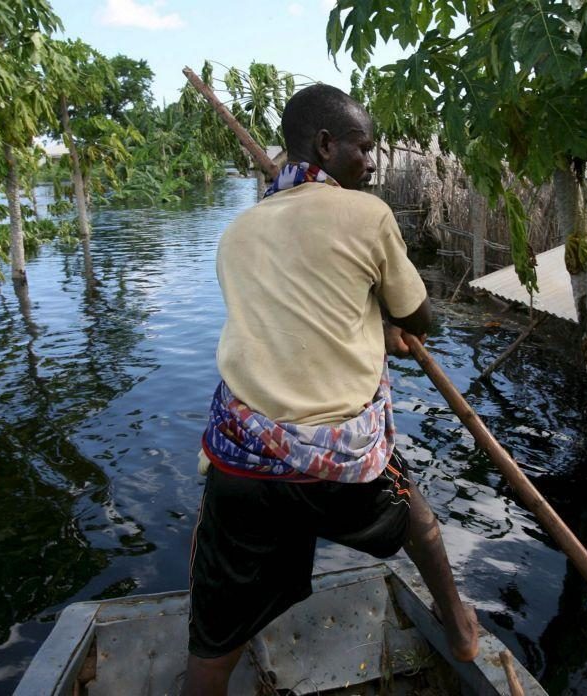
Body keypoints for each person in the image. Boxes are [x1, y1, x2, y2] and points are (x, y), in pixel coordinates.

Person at [185, 84, 478, 695]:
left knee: (213, 637)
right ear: (325, 143)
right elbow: (419, 316)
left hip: (246, 460)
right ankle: (459, 625)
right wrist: (390, 321)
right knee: (418, 520)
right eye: (362, 147)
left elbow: (294, 322)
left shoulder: (237, 232)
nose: (370, 162)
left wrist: (371, 318)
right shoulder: (367, 214)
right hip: (340, 465)